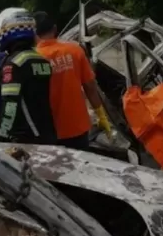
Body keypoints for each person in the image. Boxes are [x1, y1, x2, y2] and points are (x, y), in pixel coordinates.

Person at [33, 11, 113, 150]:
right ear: (55, 28)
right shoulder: (75, 51)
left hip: (47, 130)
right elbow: (90, 86)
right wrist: (101, 116)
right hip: (78, 127)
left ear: (34, 33)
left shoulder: (32, 58)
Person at [0, 8, 57, 145]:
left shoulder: (14, 63)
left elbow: (10, 105)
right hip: (46, 132)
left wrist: (1, 138)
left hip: (24, 139)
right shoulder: (40, 59)